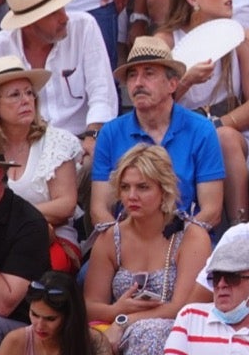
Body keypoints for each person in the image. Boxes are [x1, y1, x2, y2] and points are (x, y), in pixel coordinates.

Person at [82, 144, 211, 355]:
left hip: (178, 328)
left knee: (148, 334)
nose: (132, 196)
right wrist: (117, 310)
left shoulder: (191, 236)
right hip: (116, 329)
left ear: (163, 190)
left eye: (142, 187)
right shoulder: (110, 238)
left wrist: (126, 320)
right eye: (125, 187)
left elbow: (182, 307)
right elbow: (90, 306)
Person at [148, 0, 249, 221]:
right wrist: (185, 81)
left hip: (230, 127)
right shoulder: (164, 42)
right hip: (175, 128)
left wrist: (216, 126)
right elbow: (150, 104)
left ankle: (238, 227)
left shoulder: (241, 37)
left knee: (225, 139)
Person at [89, 40, 222, 226]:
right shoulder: (110, 133)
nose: (138, 83)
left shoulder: (202, 130)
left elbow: (211, 211)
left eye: (149, 74)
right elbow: (99, 210)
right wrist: (123, 244)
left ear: (172, 84)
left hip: (187, 241)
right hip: (127, 242)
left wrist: (170, 246)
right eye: (132, 75)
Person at [0, 0, 114, 146]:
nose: (64, 18)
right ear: (28, 25)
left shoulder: (84, 26)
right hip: (25, 146)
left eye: (63, 8)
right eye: (53, 13)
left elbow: (102, 93)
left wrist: (93, 137)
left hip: (83, 139)